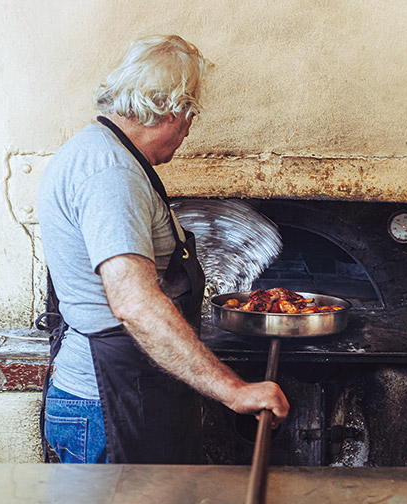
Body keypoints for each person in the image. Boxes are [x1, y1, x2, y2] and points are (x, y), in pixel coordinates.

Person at [37, 35, 289, 464]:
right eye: (190, 111)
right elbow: (134, 302)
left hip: (121, 393)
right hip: (107, 407)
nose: (190, 125)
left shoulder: (103, 153)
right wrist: (234, 389)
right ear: (170, 109)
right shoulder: (111, 173)